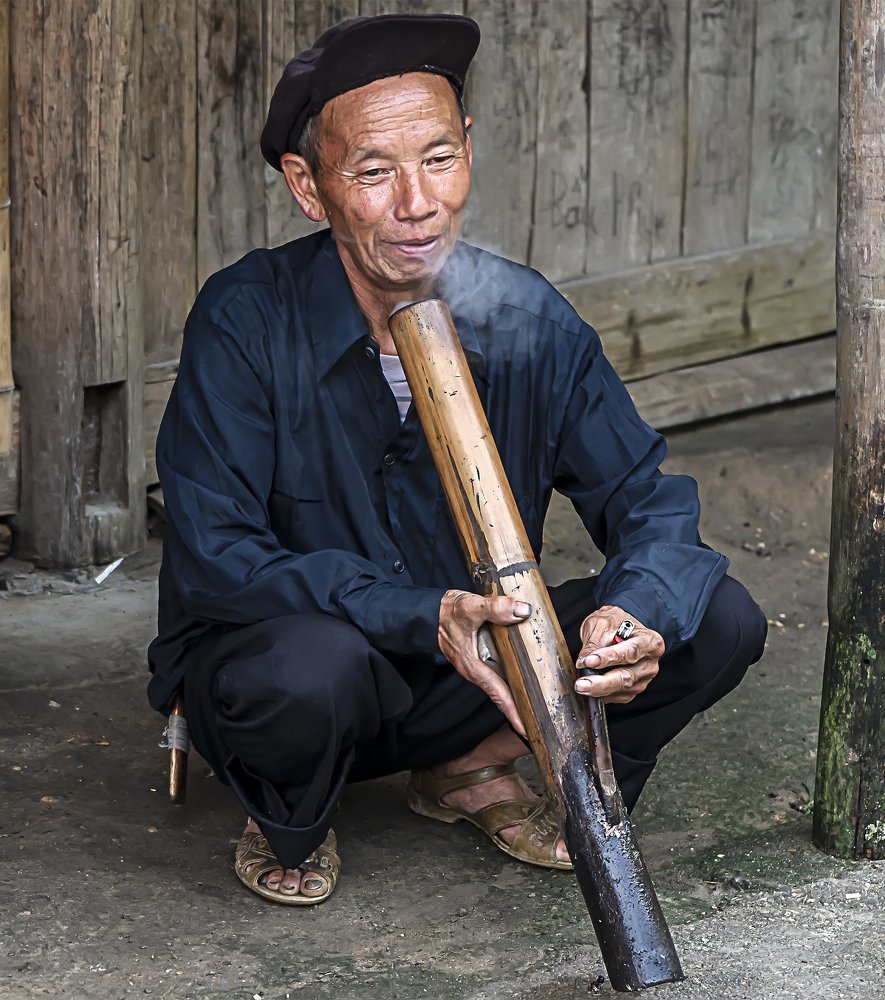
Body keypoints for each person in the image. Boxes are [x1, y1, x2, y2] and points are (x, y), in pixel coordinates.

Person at [147, 12, 767, 906]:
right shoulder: (246, 320)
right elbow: (218, 559)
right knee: (304, 669)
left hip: (472, 672)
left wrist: (634, 614)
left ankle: (472, 767)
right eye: (373, 171)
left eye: (439, 158)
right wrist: (413, 611)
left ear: (468, 148)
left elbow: (649, 500)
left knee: (719, 617)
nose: (418, 203)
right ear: (309, 187)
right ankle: (292, 805)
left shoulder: (526, 317)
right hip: (312, 673)